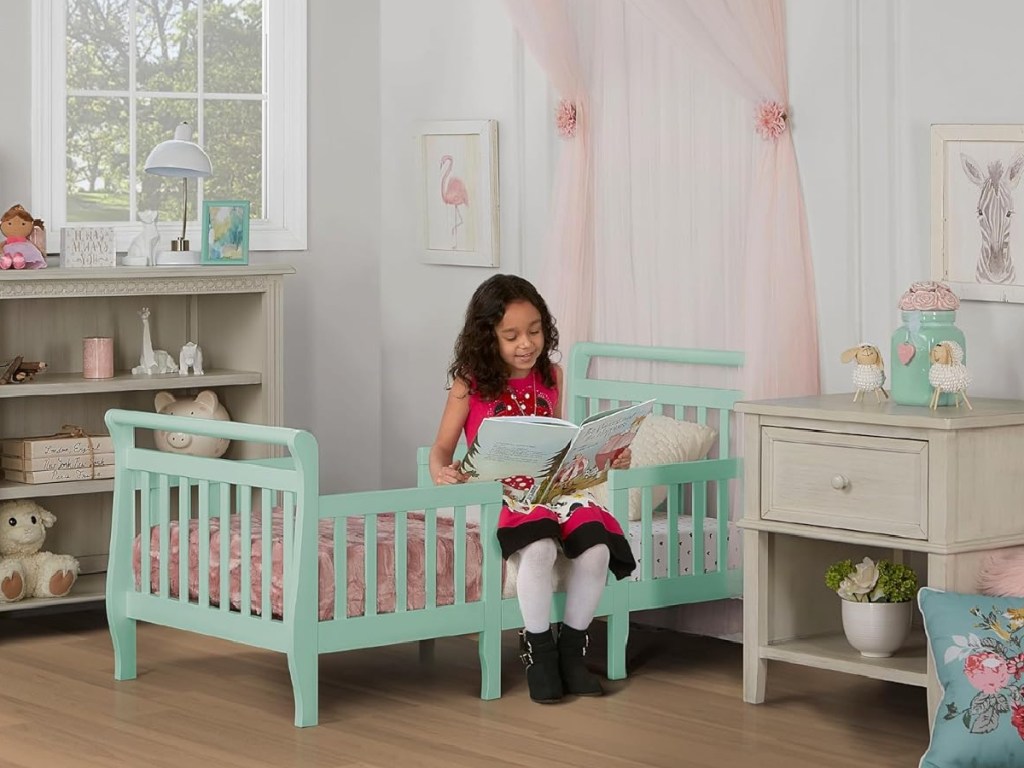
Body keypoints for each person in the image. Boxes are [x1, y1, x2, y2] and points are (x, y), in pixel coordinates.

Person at [429, 274, 637, 704]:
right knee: (540, 550)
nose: (526, 343)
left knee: (596, 549)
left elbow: (559, 439)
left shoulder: (552, 375)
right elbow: (442, 447)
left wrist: (607, 456)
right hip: (502, 492)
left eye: (535, 331)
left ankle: (572, 650)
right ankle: (538, 652)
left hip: (553, 488)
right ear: (488, 338)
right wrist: (439, 470)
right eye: (512, 336)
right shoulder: (469, 384)